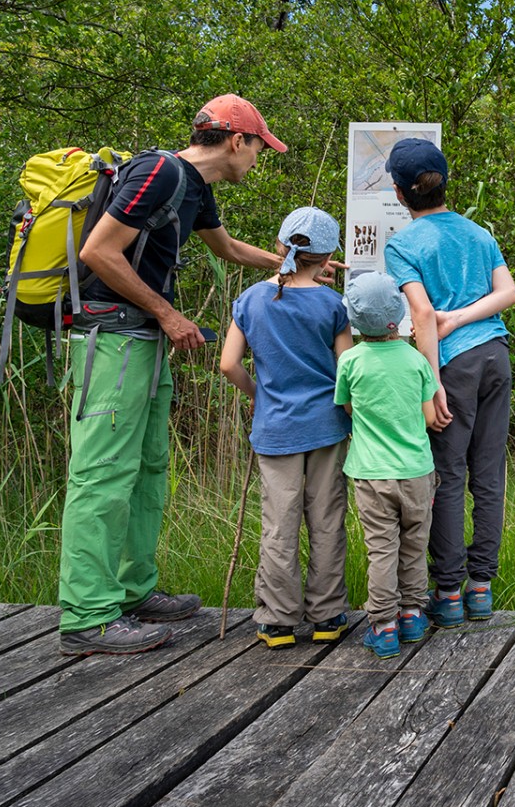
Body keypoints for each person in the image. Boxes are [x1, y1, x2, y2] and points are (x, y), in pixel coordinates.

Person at [58, 94, 289, 656]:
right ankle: (87, 615)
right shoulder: (160, 172)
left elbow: (228, 248)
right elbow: (98, 252)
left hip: (144, 343)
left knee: (148, 468)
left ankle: (133, 592)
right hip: (112, 340)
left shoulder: (194, 189)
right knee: (103, 473)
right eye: (260, 147)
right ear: (237, 139)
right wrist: (167, 312)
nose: (259, 159)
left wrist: (293, 265)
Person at [383, 138, 515, 628]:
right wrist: (464, 317)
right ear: (445, 181)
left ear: (399, 195)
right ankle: (480, 588)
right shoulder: (478, 233)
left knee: (448, 475)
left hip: (452, 366)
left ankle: (448, 592)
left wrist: (432, 384)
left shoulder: (402, 244)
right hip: (495, 358)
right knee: (488, 473)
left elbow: (421, 313)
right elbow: (508, 293)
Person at [218, 207, 354, 650]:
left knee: (279, 523)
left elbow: (228, 364)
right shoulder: (332, 305)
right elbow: (346, 370)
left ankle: (277, 620)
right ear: (329, 254)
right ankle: (327, 615)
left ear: (279, 246)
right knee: (327, 519)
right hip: (327, 427)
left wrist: (258, 392)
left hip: (275, 427)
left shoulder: (252, 299)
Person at [335, 272, 440, 659]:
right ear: (400, 314)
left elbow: (346, 407)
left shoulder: (350, 361)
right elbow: (429, 418)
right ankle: (412, 614)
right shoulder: (415, 361)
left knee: (381, 549)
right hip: (416, 471)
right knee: (413, 546)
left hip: (371, 473)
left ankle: (384, 625)